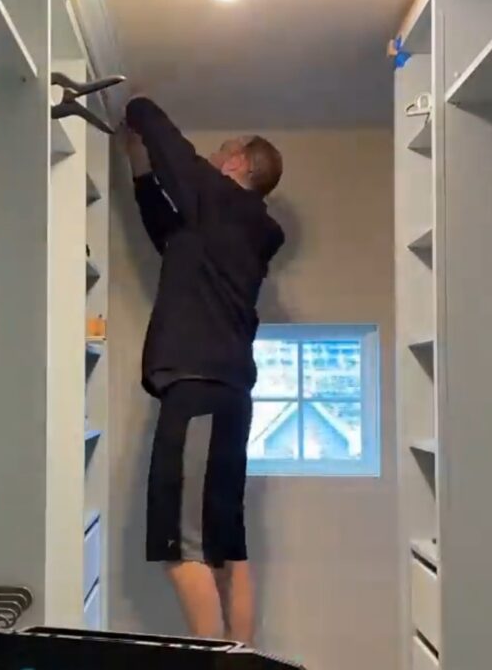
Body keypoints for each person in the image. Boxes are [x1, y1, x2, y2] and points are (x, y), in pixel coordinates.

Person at [122, 94, 285, 646]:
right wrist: (137, 161)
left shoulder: (224, 203)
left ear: (239, 164)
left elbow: (178, 157)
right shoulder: (229, 229)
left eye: (223, 152)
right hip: (224, 397)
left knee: (181, 547)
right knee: (223, 547)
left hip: (199, 392)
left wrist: (139, 106)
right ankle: (240, 660)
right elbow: (167, 231)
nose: (215, 157)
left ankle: (212, 663)